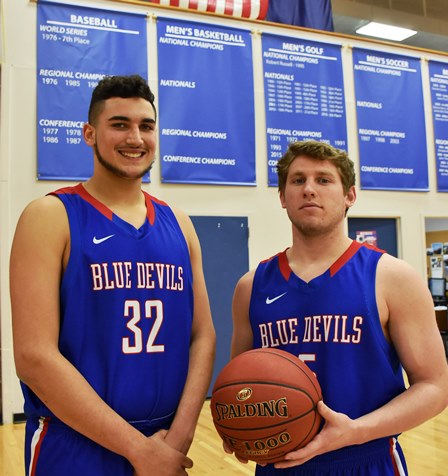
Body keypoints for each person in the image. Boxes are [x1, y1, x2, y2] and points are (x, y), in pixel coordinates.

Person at [10, 75, 216, 476]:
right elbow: (33, 357)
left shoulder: (180, 223)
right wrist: (139, 450)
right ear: (89, 133)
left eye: (146, 126)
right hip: (74, 446)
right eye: (119, 124)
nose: (135, 137)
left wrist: (177, 441)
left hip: (164, 445)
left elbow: (203, 336)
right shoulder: (50, 216)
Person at [229, 140, 448, 475]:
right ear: (283, 197)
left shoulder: (392, 277)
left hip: (366, 460)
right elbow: (239, 383)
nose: (309, 190)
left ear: (350, 195)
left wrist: (355, 432)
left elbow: (435, 387)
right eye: (298, 180)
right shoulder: (251, 286)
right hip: (279, 463)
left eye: (324, 180)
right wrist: (239, 426)